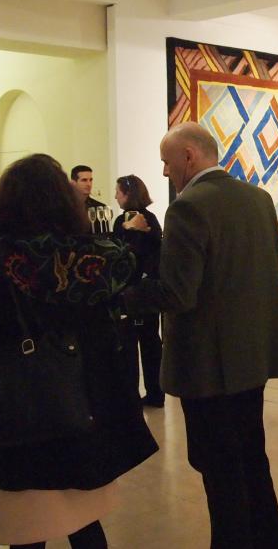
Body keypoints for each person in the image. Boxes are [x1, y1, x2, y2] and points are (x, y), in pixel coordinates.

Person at [0, 154, 158, 549]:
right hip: (81, 409)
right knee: (85, 524)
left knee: (25, 530)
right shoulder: (94, 260)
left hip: (16, 416)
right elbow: (128, 276)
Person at [125, 122, 278, 549]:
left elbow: (177, 293)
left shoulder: (187, 207)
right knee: (252, 460)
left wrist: (121, 292)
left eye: (166, 161)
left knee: (219, 471)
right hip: (250, 358)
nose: (164, 171)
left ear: (188, 156)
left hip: (207, 365)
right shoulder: (257, 199)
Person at [112, 174, 164, 407]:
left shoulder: (138, 220)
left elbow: (124, 253)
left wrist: (126, 228)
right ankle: (155, 393)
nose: (115, 196)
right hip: (147, 290)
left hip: (134, 291)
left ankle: (138, 395)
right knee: (150, 343)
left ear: (127, 193)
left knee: (134, 346)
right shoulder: (149, 218)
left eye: (118, 192)